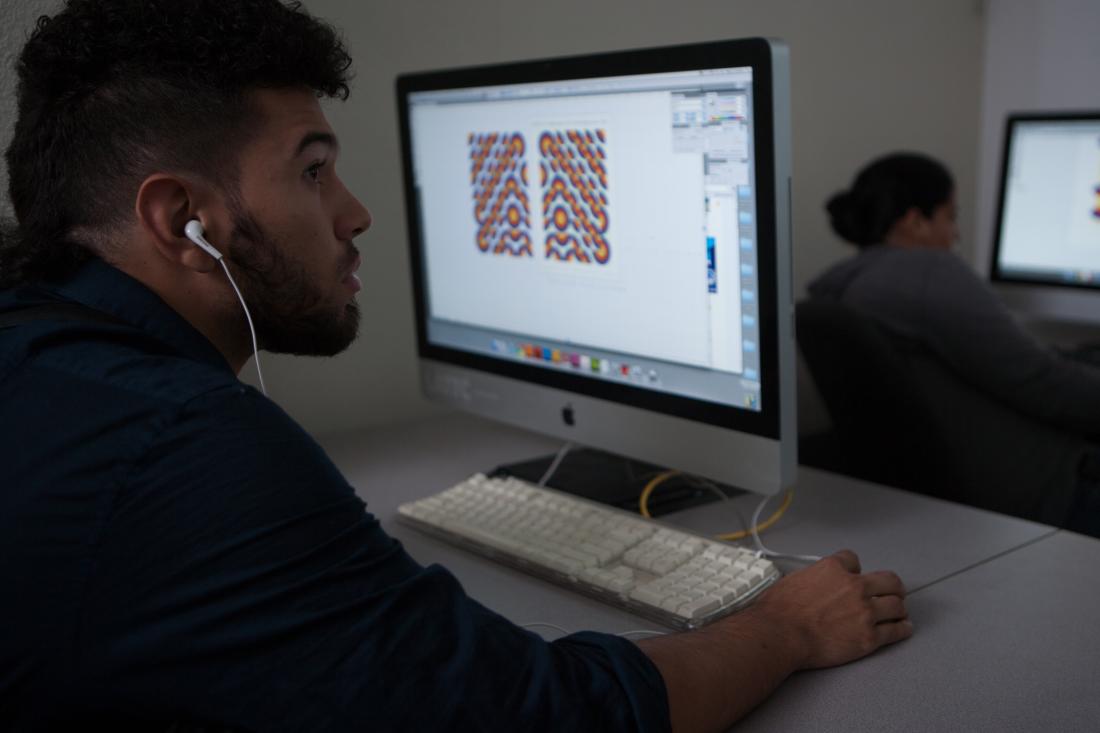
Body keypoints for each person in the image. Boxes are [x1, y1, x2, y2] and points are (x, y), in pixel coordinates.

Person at [0, 2, 911, 730]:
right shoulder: (186, 445)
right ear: (180, 220)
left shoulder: (43, 354)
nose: (355, 212)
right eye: (313, 170)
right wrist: (785, 627)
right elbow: (554, 714)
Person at [809, 152, 1100, 531]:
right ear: (915, 221)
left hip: (952, 500)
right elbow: (1040, 381)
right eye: (951, 216)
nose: (957, 233)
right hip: (1046, 495)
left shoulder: (842, 288)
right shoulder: (927, 270)